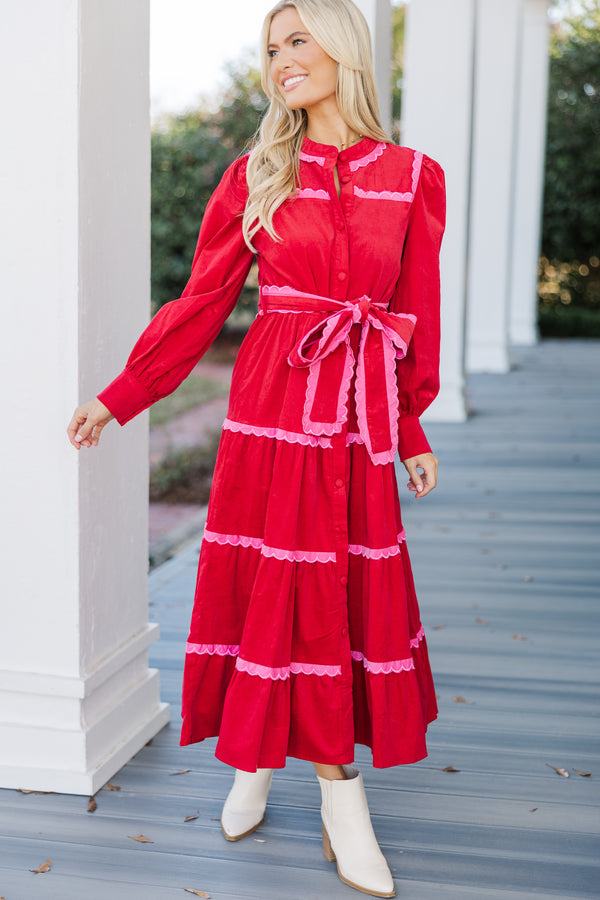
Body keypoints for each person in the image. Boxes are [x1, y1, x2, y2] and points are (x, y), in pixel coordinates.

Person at [67, 0, 446, 895]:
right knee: (279, 582)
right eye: (271, 49)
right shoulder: (256, 174)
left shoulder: (416, 175)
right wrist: (125, 395)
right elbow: (200, 303)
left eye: (297, 40)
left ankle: (307, 779)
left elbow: (414, 317)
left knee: (336, 590)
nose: (280, 60)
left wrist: (410, 425)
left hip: (354, 421)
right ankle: (297, 777)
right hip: (275, 410)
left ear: (343, 48)